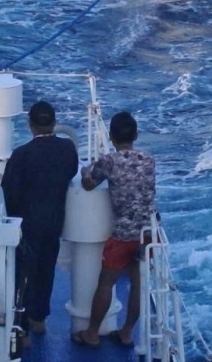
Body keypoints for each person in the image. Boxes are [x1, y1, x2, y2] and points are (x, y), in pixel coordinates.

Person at [71, 111, 156, 349]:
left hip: (122, 235)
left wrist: (86, 170)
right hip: (146, 234)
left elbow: (88, 184)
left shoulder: (110, 162)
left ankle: (92, 334)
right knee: (137, 284)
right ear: (136, 135)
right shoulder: (149, 160)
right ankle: (127, 332)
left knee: (106, 283)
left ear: (111, 137)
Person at [1, 101, 79, 335]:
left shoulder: (21, 155)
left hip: (27, 223)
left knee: (23, 274)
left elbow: (8, 193)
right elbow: (71, 171)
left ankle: (21, 326)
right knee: (46, 269)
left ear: (30, 125)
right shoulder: (67, 149)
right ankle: (39, 319)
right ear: (54, 123)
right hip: (54, 221)